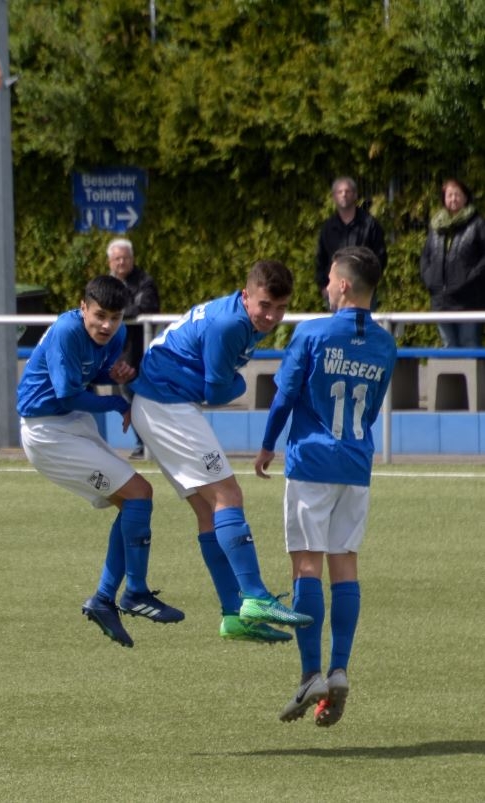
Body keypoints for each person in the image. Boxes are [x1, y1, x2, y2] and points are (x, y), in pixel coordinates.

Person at [129, 260, 313, 645]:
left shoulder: (242, 318)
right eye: (265, 305)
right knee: (228, 495)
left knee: (207, 511)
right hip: (166, 406)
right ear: (246, 296)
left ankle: (233, 614)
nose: (272, 316)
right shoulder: (230, 324)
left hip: (159, 404)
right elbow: (217, 391)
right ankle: (256, 596)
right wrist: (239, 386)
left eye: (281, 308)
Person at [255, 246, 396, 727]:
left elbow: (284, 396)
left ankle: (310, 674)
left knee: (306, 567)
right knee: (345, 566)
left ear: (343, 285)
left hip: (312, 462)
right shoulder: (385, 343)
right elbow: (371, 408)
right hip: (355, 464)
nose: (325, 286)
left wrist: (267, 445)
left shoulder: (311, 333)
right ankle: (339, 669)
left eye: (330, 279)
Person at [18, 275, 184, 649]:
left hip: (72, 424)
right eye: (99, 315)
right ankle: (134, 593)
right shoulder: (67, 330)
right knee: (140, 493)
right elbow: (66, 393)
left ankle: (105, 600)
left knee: (133, 502)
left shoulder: (118, 336)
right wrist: (116, 401)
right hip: (47, 434)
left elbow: (97, 372)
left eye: (115, 317)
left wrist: (117, 374)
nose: (107, 325)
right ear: (83, 308)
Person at [106, 238, 160, 459]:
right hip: (113, 350)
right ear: (110, 262)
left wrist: (116, 312)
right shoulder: (105, 283)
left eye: (125, 258)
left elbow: (146, 307)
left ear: (132, 259)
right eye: (117, 258)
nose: (121, 262)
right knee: (127, 397)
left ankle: (148, 445)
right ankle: (143, 444)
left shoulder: (144, 282)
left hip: (138, 350)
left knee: (138, 397)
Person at [419, 178, 485, 348]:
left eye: (457, 195)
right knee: (448, 345)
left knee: (469, 343)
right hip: (440, 299)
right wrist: (429, 278)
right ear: (444, 199)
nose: (453, 199)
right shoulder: (436, 225)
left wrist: (470, 278)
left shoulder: (477, 224)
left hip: (468, 299)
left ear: (465, 198)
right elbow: (426, 255)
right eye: (449, 195)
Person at [315, 177, 387, 311]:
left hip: (363, 291)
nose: (344, 194)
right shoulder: (328, 228)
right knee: (338, 325)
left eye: (347, 191)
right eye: (340, 192)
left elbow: (380, 257)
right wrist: (323, 286)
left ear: (355, 195)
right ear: (334, 197)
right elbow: (321, 259)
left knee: (361, 324)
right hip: (335, 292)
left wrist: (370, 283)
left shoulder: (370, 225)